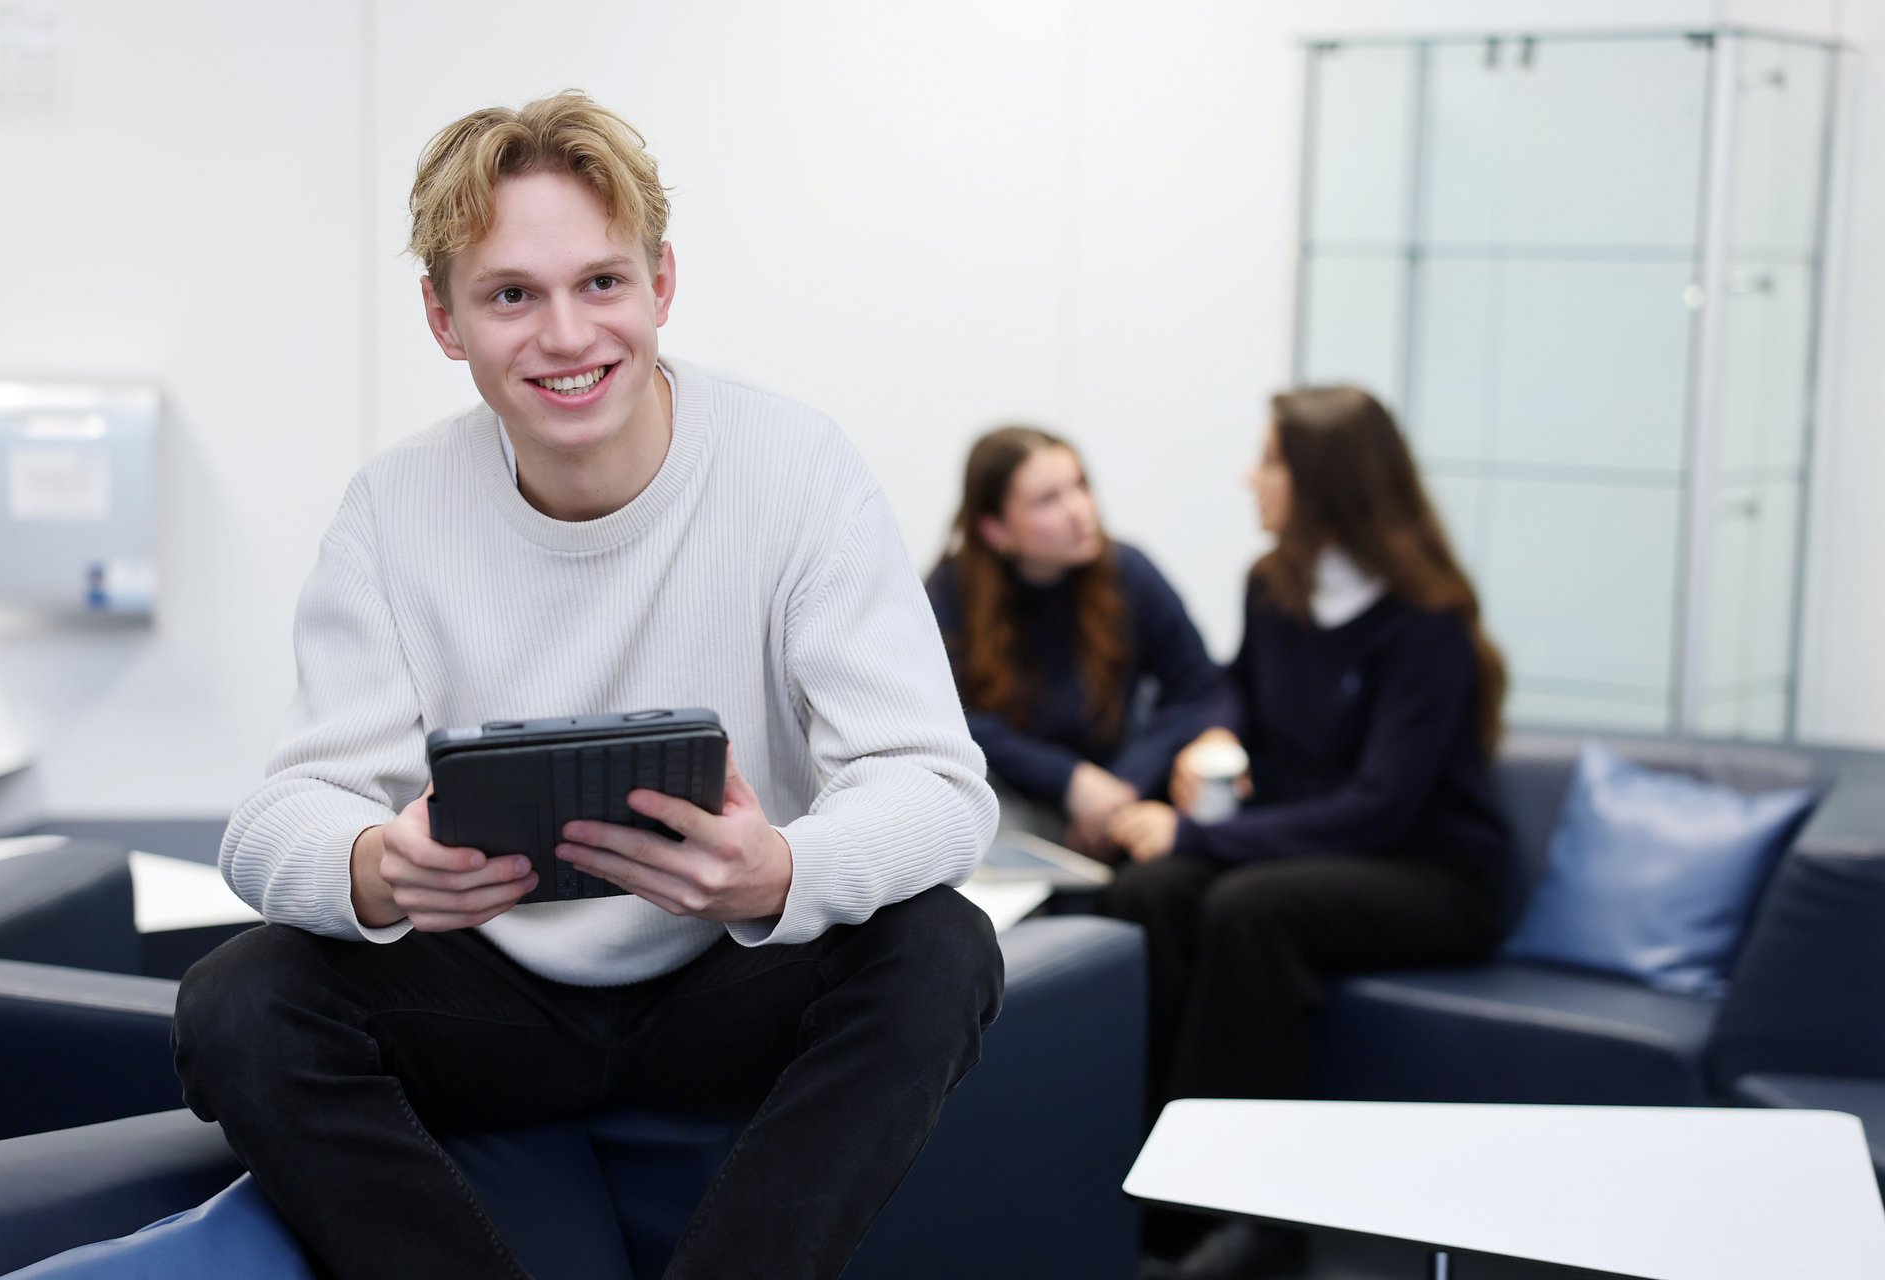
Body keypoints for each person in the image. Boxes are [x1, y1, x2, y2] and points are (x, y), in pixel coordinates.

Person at [171, 91, 1003, 1280]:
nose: (566, 335)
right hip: (491, 1001)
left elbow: (937, 783)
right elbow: (274, 820)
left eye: (601, 283)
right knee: (238, 1002)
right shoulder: (393, 512)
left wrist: (784, 868)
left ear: (662, 283)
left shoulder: (795, 469)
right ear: (444, 319)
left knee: (941, 949)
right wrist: (374, 863)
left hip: (728, 979)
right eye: (512, 294)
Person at [1105, 387, 1514, 1278]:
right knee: (1146, 893)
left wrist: (1196, 836)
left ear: (1323, 481)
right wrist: (1220, 730)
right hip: (1313, 846)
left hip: (1431, 871)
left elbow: (1380, 808)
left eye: (1270, 460)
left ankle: (1242, 1211)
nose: (1250, 476)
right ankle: (1127, 1176)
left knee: (1252, 908)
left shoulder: (1427, 619)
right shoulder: (1273, 585)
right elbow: (1236, 688)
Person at [924, 426, 1222, 856]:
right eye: (1048, 500)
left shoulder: (1128, 572)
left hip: (1119, 803)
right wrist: (1069, 780)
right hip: (1009, 802)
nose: (1080, 510)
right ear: (995, 530)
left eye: (1080, 486)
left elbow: (1197, 689)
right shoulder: (951, 591)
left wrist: (1122, 787)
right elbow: (945, 720)